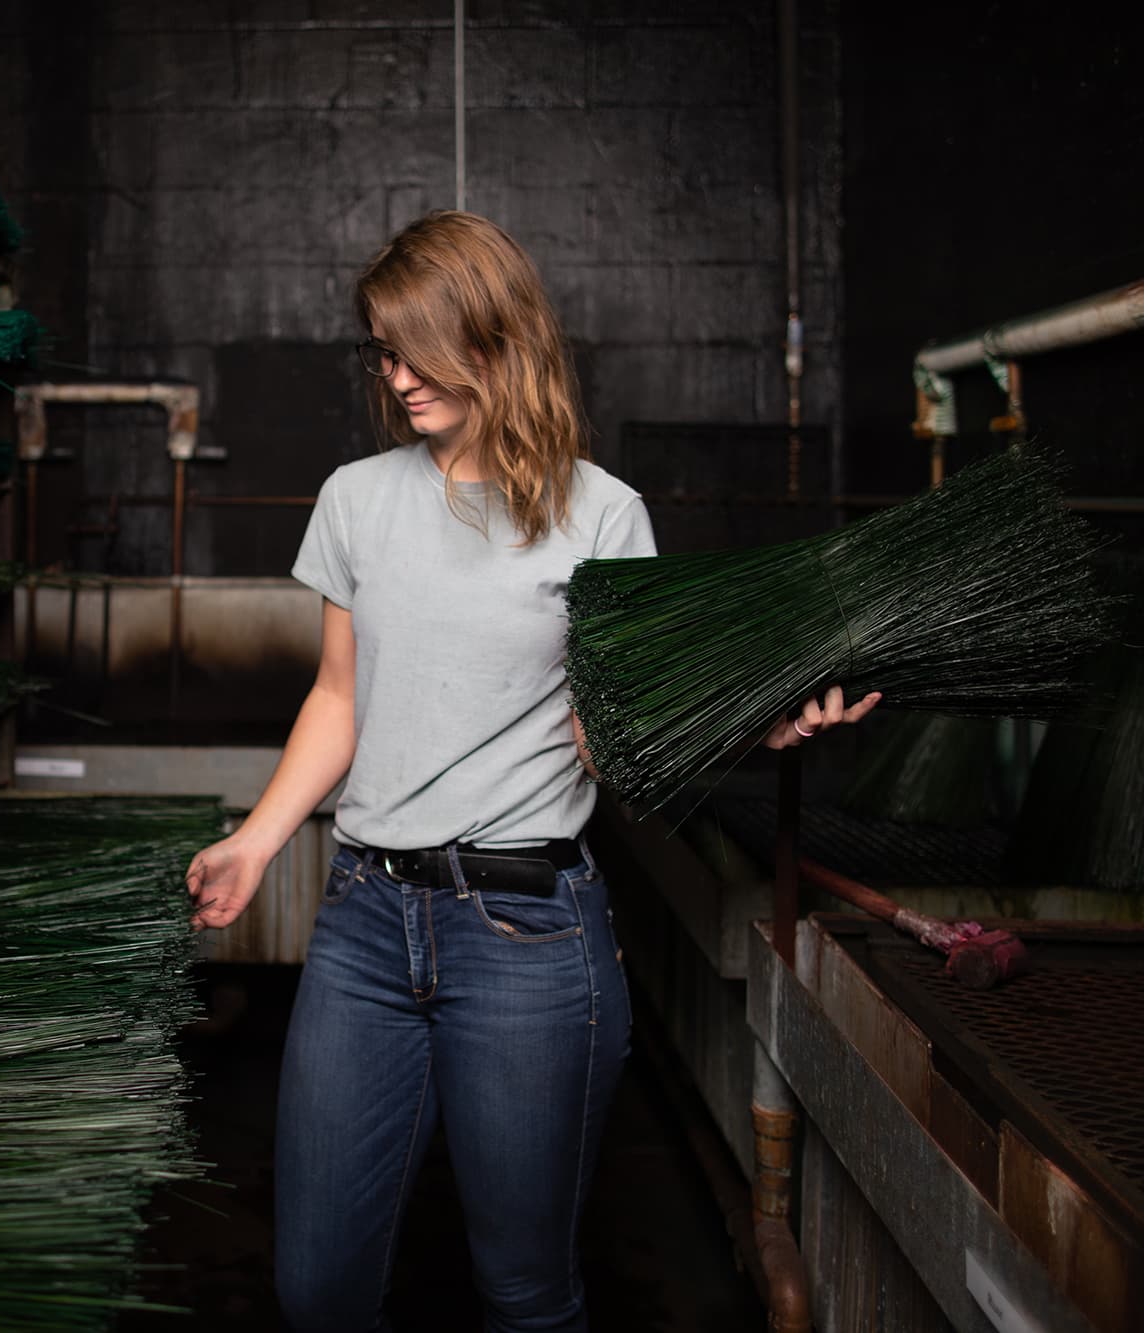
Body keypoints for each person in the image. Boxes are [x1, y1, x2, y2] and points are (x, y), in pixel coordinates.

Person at [184, 211, 878, 1333]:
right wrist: (257, 840)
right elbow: (337, 698)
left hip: (524, 937)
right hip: (364, 921)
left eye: (415, 348)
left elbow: (625, 726)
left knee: (522, 1290)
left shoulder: (599, 514)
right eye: (382, 350)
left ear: (496, 338)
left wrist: (758, 729)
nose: (395, 375)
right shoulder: (355, 498)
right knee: (316, 1288)